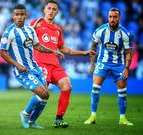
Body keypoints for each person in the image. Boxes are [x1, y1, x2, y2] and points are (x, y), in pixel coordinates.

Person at [30, 0, 95, 128]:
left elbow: (64, 49)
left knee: (67, 86)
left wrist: (84, 53)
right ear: (44, 10)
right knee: (40, 94)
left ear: (57, 12)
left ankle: (59, 119)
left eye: (54, 9)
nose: (51, 11)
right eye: (49, 8)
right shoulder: (36, 24)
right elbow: (26, 38)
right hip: (40, 63)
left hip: (55, 65)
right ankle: (29, 118)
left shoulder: (58, 29)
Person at [0, 4, 64, 129]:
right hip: (22, 71)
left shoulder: (30, 30)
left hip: (35, 68)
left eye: (21, 14)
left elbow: (38, 46)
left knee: (46, 95)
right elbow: (3, 52)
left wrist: (53, 51)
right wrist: (17, 65)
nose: (19, 17)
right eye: (16, 15)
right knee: (42, 93)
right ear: (13, 16)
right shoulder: (9, 32)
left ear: (26, 15)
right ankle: (24, 114)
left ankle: (32, 122)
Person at [84, 8, 133, 126]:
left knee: (122, 91)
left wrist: (126, 68)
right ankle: (92, 116)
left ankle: (122, 119)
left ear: (119, 18)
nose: (112, 19)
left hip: (119, 64)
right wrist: (92, 63)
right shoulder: (100, 31)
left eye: (115, 17)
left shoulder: (125, 34)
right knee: (95, 88)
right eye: (110, 17)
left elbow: (128, 52)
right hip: (103, 62)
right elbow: (93, 46)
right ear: (108, 17)